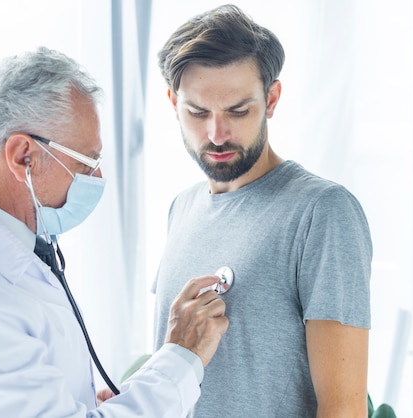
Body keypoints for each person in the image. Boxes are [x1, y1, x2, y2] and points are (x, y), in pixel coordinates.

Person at [0, 47, 229, 417]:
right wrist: (180, 358)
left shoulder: (8, 245)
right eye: (85, 162)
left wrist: (75, 401)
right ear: (23, 156)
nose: (97, 178)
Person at [152, 4, 372, 417]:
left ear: (271, 99)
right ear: (173, 102)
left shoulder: (322, 213)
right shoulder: (181, 209)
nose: (217, 134)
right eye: (198, 113)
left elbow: (344, 409)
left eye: (238, 110)